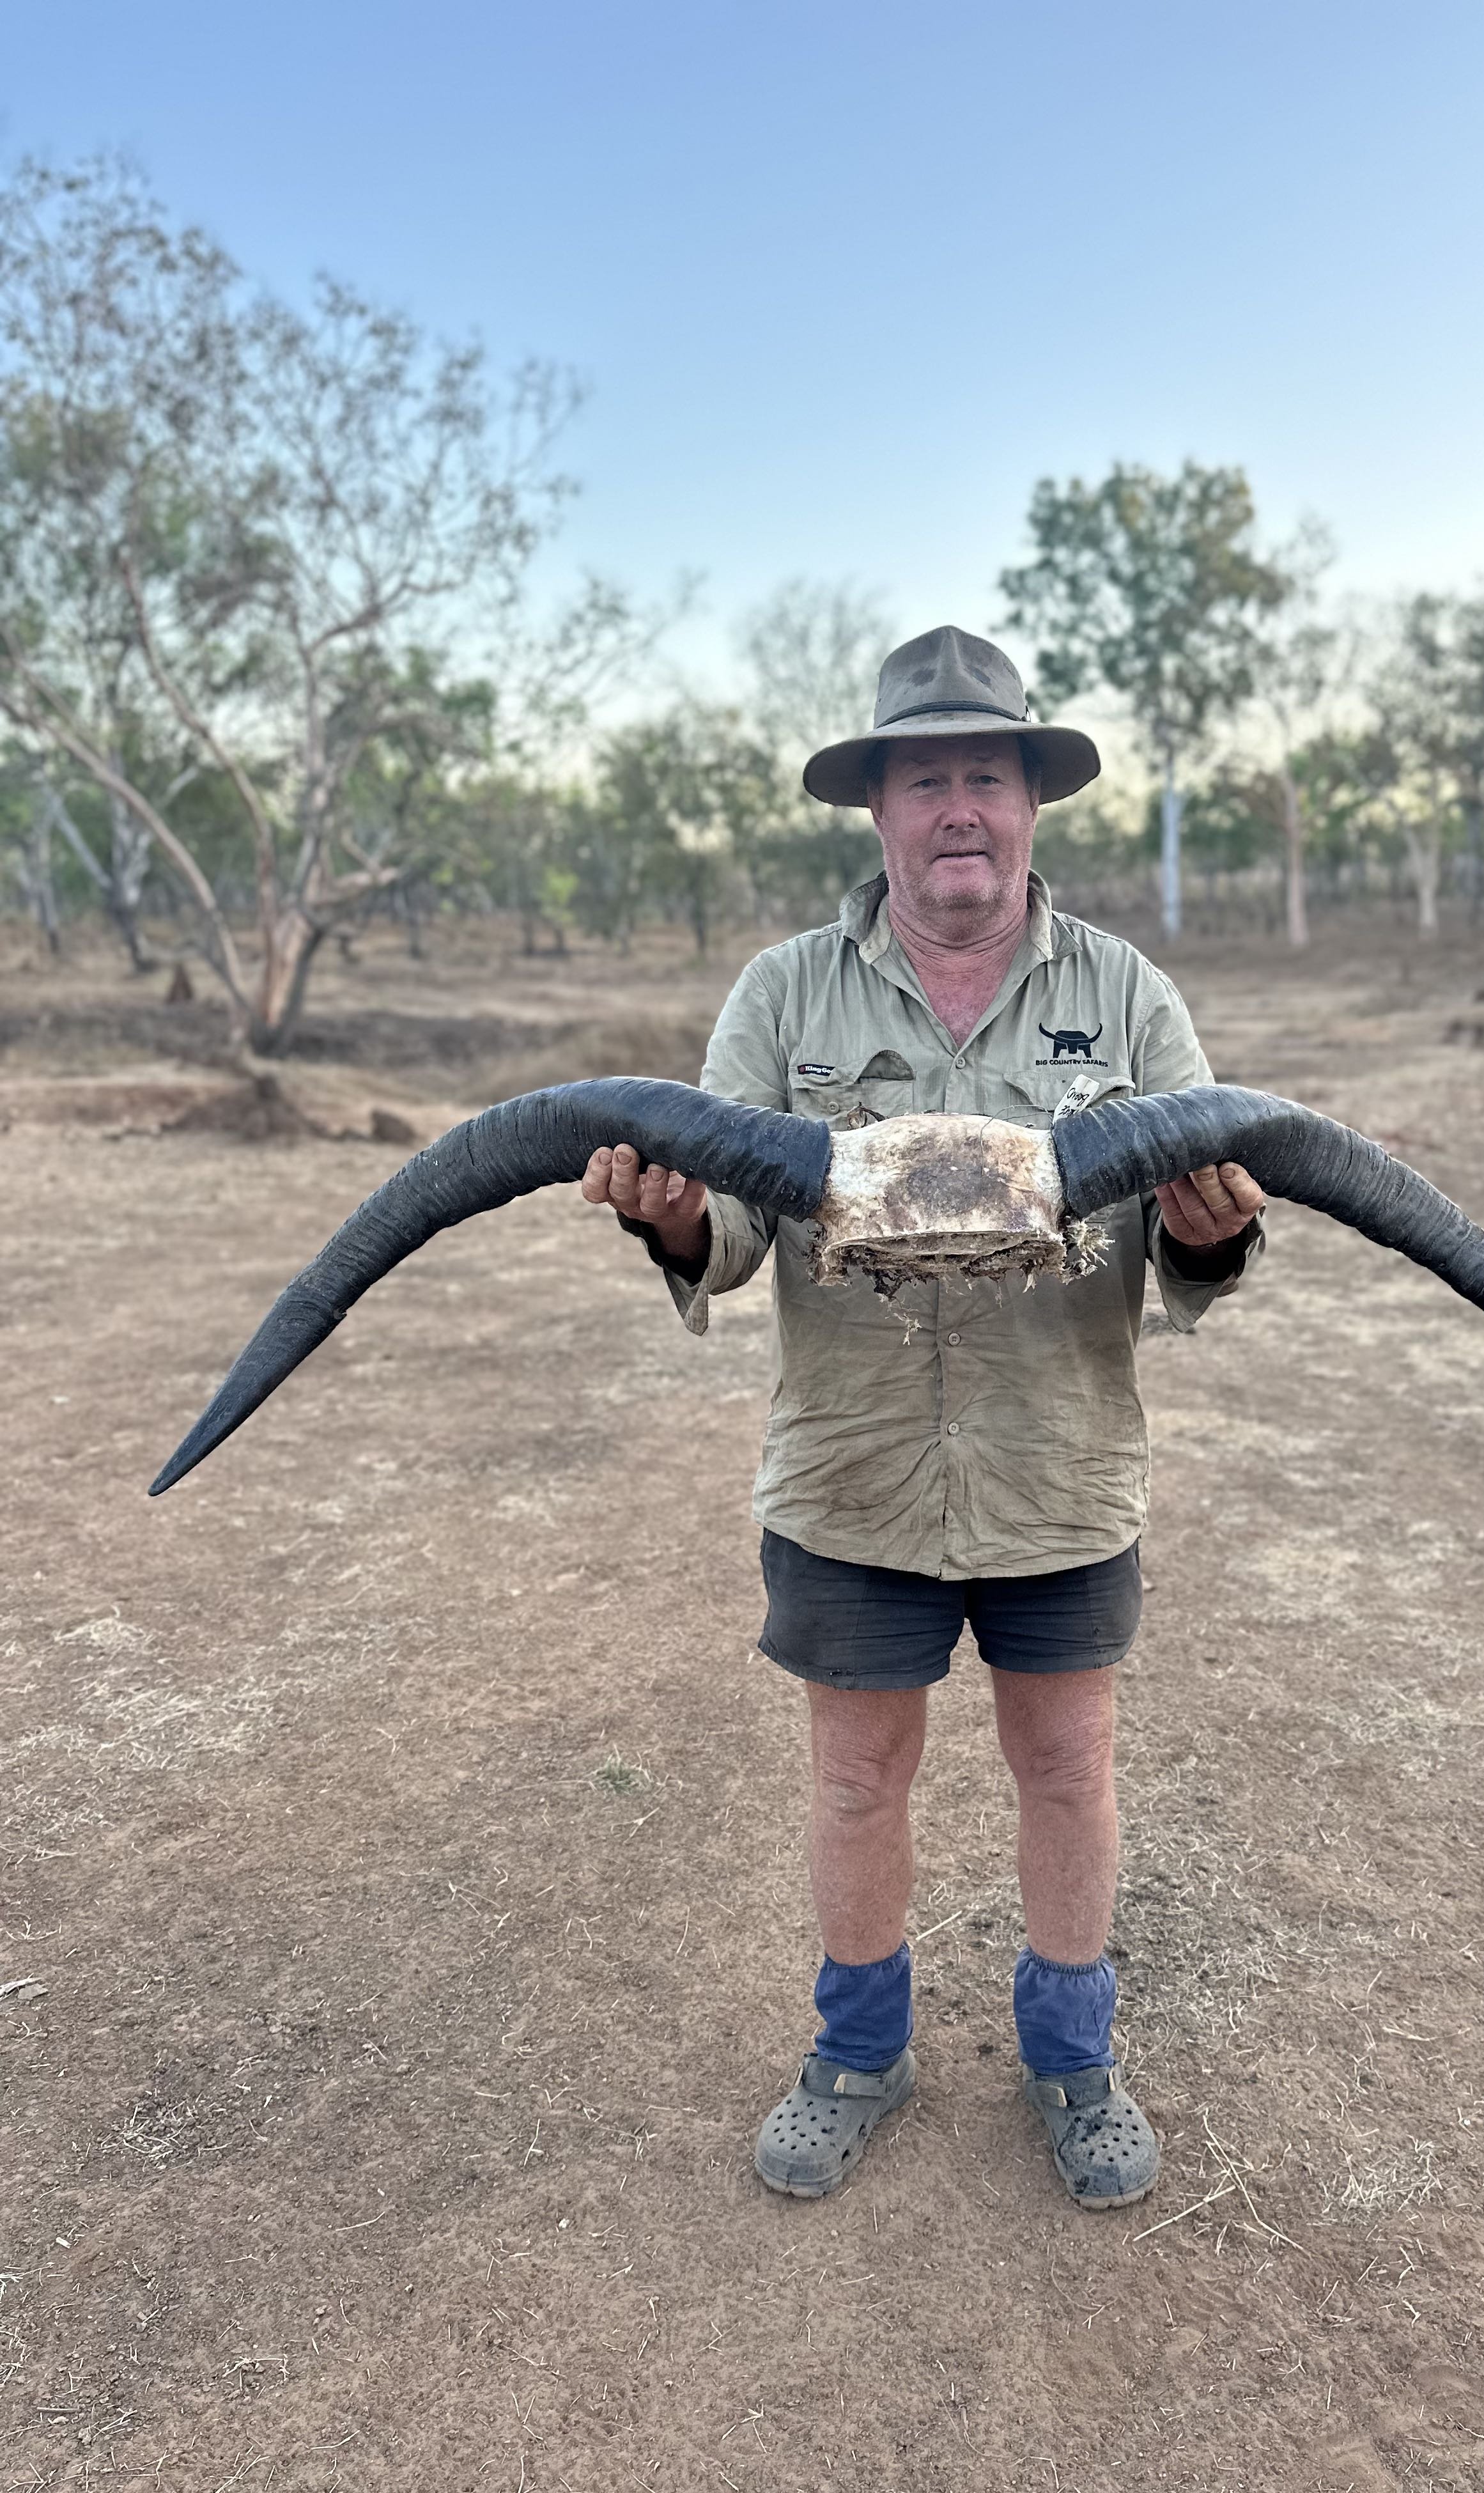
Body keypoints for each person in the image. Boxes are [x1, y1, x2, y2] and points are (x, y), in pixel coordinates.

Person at [581, 625, 1264, 2209]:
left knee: (1069, 1766)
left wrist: (1215, 1230)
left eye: (988, 776)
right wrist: (675, 1219)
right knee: (852, 1777)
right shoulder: (782, 998)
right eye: (926, 778)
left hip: (1059, 1470)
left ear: (1031, 805)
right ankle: (858, 2051)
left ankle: (1074, 2059)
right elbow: (733, 1241)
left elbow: (1189, 1238)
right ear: (878, 812)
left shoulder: (1130, 997)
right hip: (853, 1474)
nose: (960, 807)